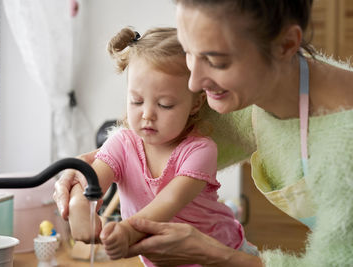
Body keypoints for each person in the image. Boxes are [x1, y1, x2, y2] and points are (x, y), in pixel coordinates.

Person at [54, 0, 353, 266]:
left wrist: (216, 255)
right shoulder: (252, 89)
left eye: (215, 61)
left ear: (286, 46)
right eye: (188, 53)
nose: (194, 82)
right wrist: (84, 174)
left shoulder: (345, 146)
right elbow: (148, 146)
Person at [66, 27, 257, 267]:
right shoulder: (121, 144)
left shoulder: (200, 150)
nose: (147, 114)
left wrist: (127, 230)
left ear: (195, 104)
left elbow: (167, 203)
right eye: (136, 100)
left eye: (165, 104)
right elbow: (92, 183)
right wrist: (79, 206)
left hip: (223, 256)